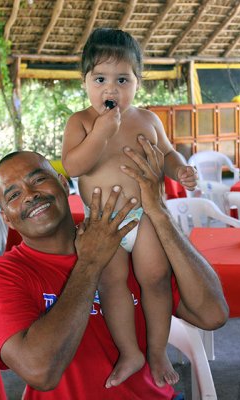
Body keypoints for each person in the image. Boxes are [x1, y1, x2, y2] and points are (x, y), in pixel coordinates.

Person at [0, 146, 228, 400]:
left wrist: (159, 212)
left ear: (64, 184)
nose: (30, 195)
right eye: (14, 195)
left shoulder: (129, 243)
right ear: (6, 218)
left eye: (39, 180)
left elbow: (212, 314)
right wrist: (90, 264)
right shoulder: (1, 275)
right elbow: (40, 372)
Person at [62, 28, 198, 388]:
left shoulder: (148, 120)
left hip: (145, 217)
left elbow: (167, 154)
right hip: (104, 222)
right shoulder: (80, 122)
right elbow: (73, 166)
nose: (111, 89)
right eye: (101, 79)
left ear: (138, 81)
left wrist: (179, 169)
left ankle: (156, 350)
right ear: (85, 81)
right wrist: (101, 134)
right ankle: (129, 351)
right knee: (110, 282)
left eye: (122, 79)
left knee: (155, 278)